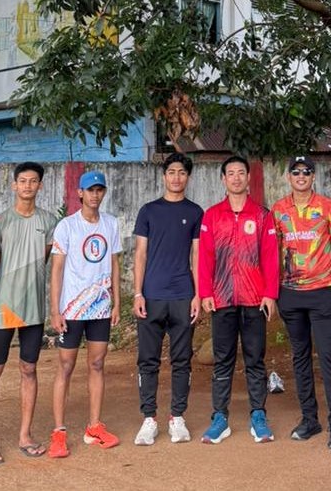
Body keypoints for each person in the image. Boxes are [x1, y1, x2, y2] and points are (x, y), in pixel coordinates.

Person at [0, 162, 58, 464]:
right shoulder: (0, 222)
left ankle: (25, 435)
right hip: (5, 308)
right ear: (14, 185)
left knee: (29, 368)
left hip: (33, 308)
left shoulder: (49, 222)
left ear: (40, 185)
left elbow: (45, 260)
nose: (27, 186)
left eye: (33, 181)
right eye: (22, 181)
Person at [198, 155, 280, 444]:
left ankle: (258, 415)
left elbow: (270, 256)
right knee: (223, 360)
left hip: (254, 300)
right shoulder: (212, 215)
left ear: (248, 178)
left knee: (255, 359)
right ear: (223, 179)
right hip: (222, 299)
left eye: (240, 173)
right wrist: (205, 292)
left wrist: (270, 294)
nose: (236, 178)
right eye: (230, 173)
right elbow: (205, 257)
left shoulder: (262, 215)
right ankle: (219, 418)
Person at [271, 156, 331, 449]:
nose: (301, 176)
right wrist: (274, 290)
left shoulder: (328, 206)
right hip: (290, 294)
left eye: (306, 171)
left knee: (328, 357)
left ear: (313, 176)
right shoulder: (278, 209)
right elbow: (272, 250)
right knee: (300, 357)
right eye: (296, 172)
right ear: (288, 177)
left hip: (322, 293)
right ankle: (309, 419)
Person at [48, 170, 122, 458]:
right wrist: (55, 310)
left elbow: (114, 264)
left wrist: (116, 302)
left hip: (100, 307)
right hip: (72, 309)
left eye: (99, 189)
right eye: (90, 190)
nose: (95, 194)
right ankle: (59, 432)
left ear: (104, 193)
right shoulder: (67, 226)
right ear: (80, 193)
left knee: (97, 364)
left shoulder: (111, 224)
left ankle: (94, 427)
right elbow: (56, 270)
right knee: (66, 366)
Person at [132, 153, 204, 445]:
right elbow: (140, 254)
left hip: (183, 295)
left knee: (181, 360)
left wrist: (198, 294)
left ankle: (177, 417)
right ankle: (149, 418)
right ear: (164, 176)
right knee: (147, 360)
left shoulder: (195, 212)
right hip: (151, 295)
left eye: (182, 172)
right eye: (172, 172)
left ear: (188, 177)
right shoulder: (149, 211)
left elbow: (197, 255)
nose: (176, 177)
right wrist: (138, 292)